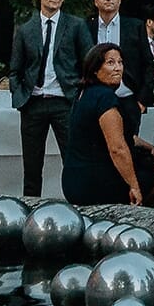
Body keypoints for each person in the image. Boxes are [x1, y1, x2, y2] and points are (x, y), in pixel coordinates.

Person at [9, 0, 94, 196]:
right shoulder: (26, 30)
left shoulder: (75, 25)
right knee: (32, 165)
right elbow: (15, 69)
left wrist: (82, 94)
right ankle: (30, 212)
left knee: (74, 160)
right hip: (33, 103)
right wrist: (19, 97)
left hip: (65, 102)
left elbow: (90, 62)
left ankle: (80, 208)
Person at [62, 44, 146, 207]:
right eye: (110, 63)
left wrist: (148, 146)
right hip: (95, 183)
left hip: (72, 179)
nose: (118, 68)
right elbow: (117, 148)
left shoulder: (83, 93)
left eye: (120, 62)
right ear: (95, 69)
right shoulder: (105, 98)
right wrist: (134, 186)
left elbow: (104, 134)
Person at [90, 0, 152, 116]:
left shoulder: (135, 27)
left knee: (129, 138)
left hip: (128, 98)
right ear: (95, 1)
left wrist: (142, 100)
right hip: (94, 98)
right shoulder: (87, 28)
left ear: (119, 0)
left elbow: (147, 63)